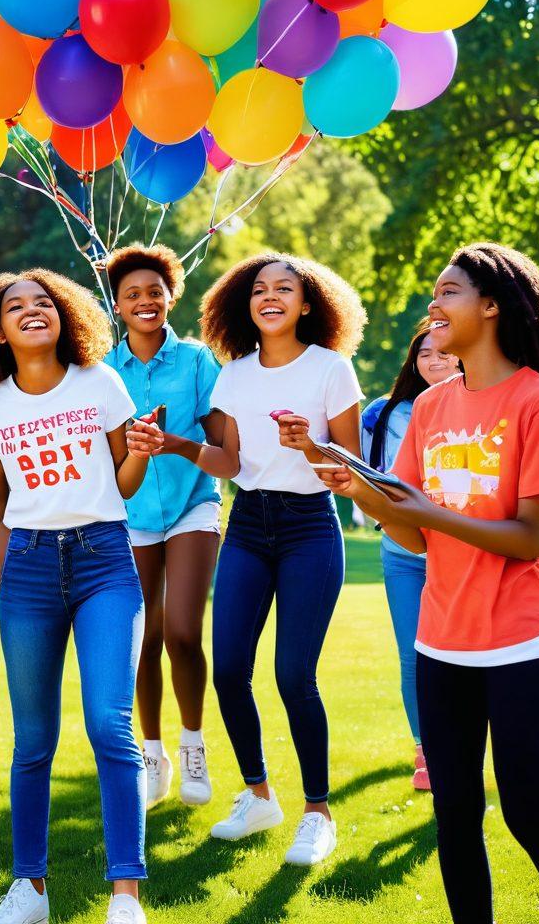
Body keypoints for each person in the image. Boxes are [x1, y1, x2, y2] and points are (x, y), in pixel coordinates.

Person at [319, 243, 539, 924]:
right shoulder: (433, 407)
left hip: (521, 636)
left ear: (492, 304)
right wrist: (371, 494)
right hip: (441, 637)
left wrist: (424, 510)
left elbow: (531, 538)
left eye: (448, 292)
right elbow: (416, 537)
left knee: (529, 811)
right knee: (455, 812)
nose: (433, 305)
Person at [0, 269, 163, 924]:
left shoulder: (100, 382)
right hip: (31, 569)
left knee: (107, 724)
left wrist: (144, 452)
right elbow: (3, 502)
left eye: (44, 302)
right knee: (32, 739)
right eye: (16, 306)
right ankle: (29, 890)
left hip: (103, 562)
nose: (32, 311)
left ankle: (126, 895)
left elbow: (121, 484)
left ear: (66, 316)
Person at [171, 252, 366, 866]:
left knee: (292, 675)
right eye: (259, 289)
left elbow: (350, 471)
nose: (270, 296)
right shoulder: (234, 376)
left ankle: (317, 811)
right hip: (250, 523)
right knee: (228, 668)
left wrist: (309, 444)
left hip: (310, 525)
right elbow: (230, 463)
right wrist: (178, 445)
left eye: (286, 288)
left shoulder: (331, 370)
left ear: (308, 305)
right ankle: (258, 794)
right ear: (245, 304)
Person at [103, 244, 222, 809]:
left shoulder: (198, 361)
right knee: (143, 641)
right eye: (133, 295)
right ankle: (152, 755)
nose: (146, 301)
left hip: (194, 505)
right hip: (131, 516)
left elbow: (225, 447)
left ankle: (193, 743)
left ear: (171, 296)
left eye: (155, 291)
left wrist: (172, 443)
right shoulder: (102, 370)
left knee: (181, 632)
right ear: (119, 306)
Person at [360, 325, 460, 789]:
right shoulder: (381, 414)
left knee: (463, 654)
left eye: (443, 351)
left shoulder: (477, 406)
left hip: (459, 551)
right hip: (401, 551)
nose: (434, 359)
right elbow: (370, 474)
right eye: (424, 352)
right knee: (412, 654)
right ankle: (425, 751)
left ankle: (462, 749)